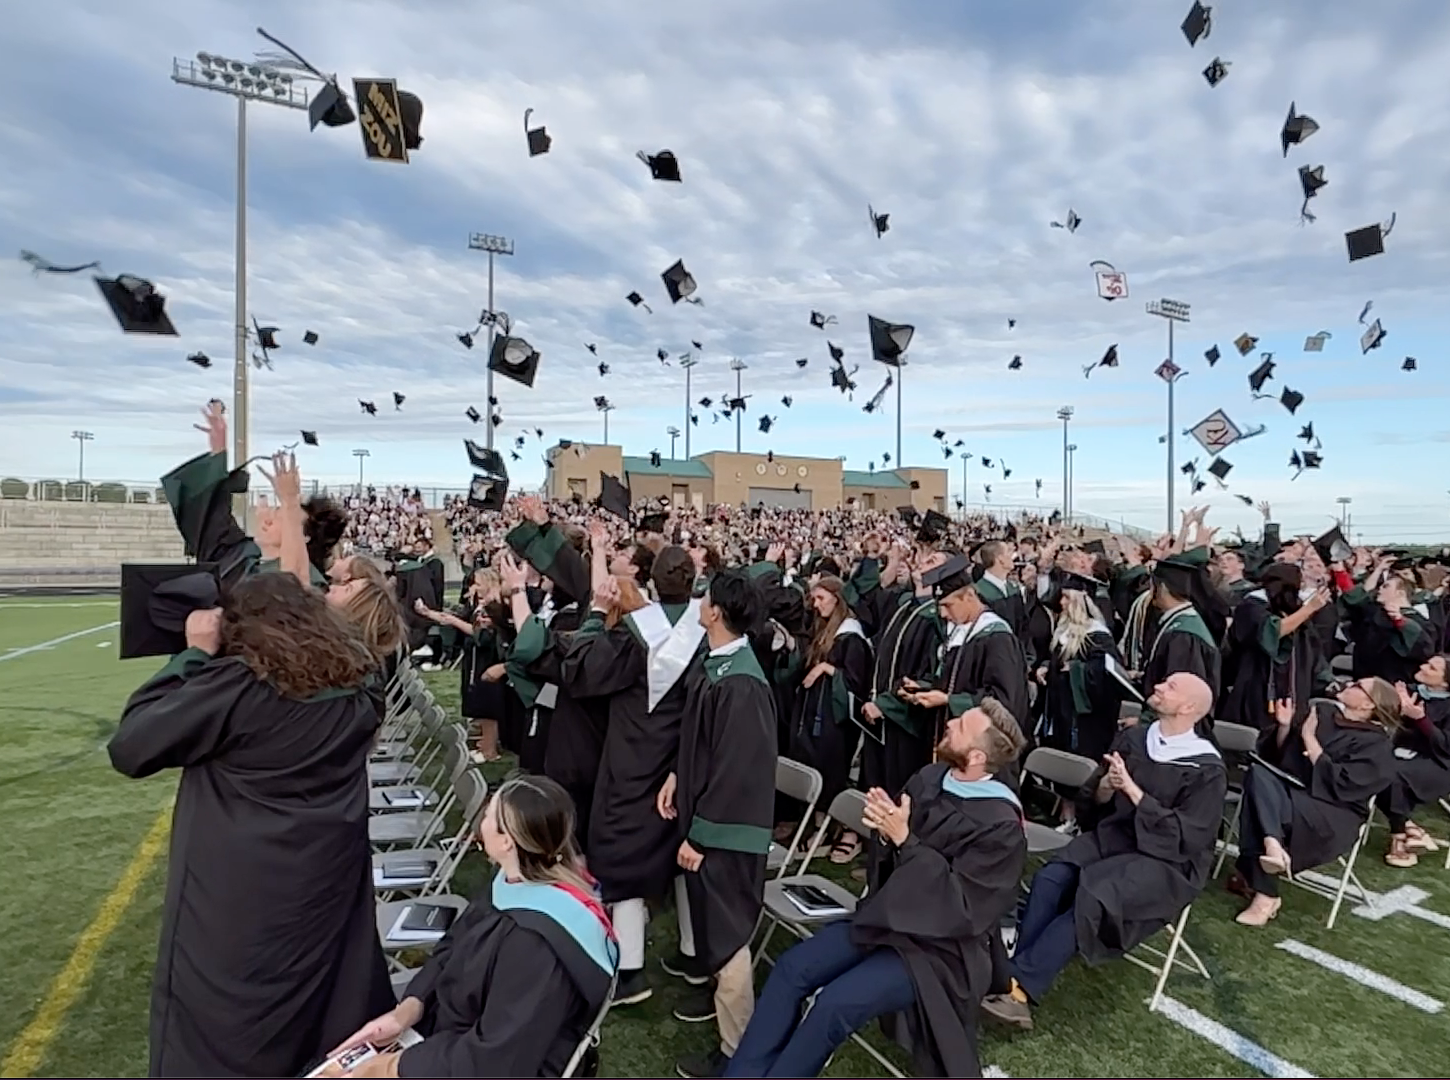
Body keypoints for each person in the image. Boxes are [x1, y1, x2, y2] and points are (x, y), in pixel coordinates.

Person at [108, 573, 393, 1078]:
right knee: (320, 1014)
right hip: (325, 892)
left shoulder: (239, 687)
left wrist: (194, 655)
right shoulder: (361, 688)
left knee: (224, 1031)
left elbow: (132, 746)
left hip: (236, 905)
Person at [724, 699, 1027, 1079]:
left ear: (978, 756)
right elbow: (893, 853)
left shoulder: (1001, 825)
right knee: (791, 969)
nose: (949, 723)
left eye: (962, 725)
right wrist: (884, 826)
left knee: (834, 1004)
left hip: (938, 953)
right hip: (887, 918)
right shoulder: (931, 778)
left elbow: (964, 906)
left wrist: (905, 840)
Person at [326, 776, 617, 1078]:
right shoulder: (512, 881)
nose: (482, 818)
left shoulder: (536, 945)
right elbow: (453, 947)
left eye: (490, 814)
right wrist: (407, 1010)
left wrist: (390, 1068)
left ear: (507, 842)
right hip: (451, 1039)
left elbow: (496, 1057)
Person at [984, 672, 1226, 1027]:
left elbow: (1191, 835)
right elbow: (1095, 798)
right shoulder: (1135, 738)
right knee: (1051, 878)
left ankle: (1020, 990)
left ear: (1189, 708)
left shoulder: (1206, 768)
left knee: (1094, 895)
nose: (1157, 685)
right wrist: (1107, 791)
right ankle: (1012, 975)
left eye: (1170, 686)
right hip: (1115, 836)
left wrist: (1135, 793)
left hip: (1166, 862)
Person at [560, 529, 705, 1006]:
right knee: (683, 860)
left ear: (652, 584)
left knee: (620, 858)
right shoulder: (707, 633)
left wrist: (597, 615)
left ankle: (630, 973)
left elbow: (580, 673)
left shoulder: (635, 633)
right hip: (684, 761)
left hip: (632, 760)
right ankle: (693, 953)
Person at [660, 569, 777, 1078]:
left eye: (705, 599)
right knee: (717, 930)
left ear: (716, 613)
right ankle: (732, 1036)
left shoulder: (743, 685)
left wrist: (701, 834)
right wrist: (675, 777)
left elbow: (736, 772)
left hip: (727, 833)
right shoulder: (719, 666)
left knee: (730, 939)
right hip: (707, 820)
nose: (699, 604)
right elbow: (702, 743)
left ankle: (739, 1054)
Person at [1234, 680, 1400, 925]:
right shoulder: (1323, 713)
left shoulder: (1377, 745)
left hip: (1333, 811)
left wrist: (1310, 738)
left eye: (1357, 685)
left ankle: (1266, 889)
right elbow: (1283, 759)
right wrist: (1285, 726)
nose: (1348, 684)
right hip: (1291, 791)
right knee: (1258, 774)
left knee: (1261, 801)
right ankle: (1272, 850)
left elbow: (1343, 785)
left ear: (1368, 704)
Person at [786, 575, 873, 864]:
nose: (815, 603)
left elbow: (856, 682)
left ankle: (829, 826)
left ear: (838, 598)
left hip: (834, 721)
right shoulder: (823, 629)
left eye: (821, 598)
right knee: (810, 761)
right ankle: (817, 823)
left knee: (828, 767)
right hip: (812, 712)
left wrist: (827, 669)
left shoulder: (851, 636)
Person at [1035, 573, 1127, 829]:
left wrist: (1076, 670)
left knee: (1080, 758)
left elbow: (1107, 673)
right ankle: (1066, 814)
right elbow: (1055, 659)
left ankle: (1082, 818)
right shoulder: (1064, 629)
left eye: (1066, 597)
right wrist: (1046, 666)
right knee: (1061, 751)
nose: (1061, 602)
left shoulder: (1098, 635)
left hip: (1085, 719)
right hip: (1061, 711)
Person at [905, 558, 1030, 741]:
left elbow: (1003, 699)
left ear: (969, 596)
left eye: (948, 605)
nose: (943, 614)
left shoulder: (997, 638)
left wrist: (950, 701)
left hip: (983, 745)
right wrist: (925, 688)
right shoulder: (959, 631)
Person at [860, 549, 949, 801]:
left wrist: (887, 705)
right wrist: (879, 557)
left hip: (906, 722)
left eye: (931, 560)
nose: (921, 560)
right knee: (874, 788)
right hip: (877, 716)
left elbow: (931, 676)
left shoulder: (938, 619)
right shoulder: (902, 604)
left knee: (897, 792)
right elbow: (860, 598)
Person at [1219, 564, 1330, 731]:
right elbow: (1273, 630)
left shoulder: (1292, 609)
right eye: (1301, 580)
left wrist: (1328, 682)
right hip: (1258, 687)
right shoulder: (1252, 605)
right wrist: (1309, 609)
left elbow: (1312, 649)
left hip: (1295, 689)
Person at [1337, 559, 1436, 686]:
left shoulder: (1419, 621)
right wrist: (1339, 568)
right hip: (1365, 683)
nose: (1380, 589)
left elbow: (1423, 650)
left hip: (1397, 687)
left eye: (1386, 586)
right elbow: (1354, 598)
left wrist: (1400, 621)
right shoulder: (1374, 612)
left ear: (1400, 593)